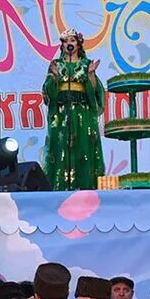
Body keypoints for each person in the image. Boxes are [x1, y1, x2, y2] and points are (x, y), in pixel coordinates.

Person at [43, 29, 104, 191]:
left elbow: (96, 93)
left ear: (78, 44)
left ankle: (86, 189)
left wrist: (91, 75)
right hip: (61, 115)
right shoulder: (56, 64)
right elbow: (47, 94)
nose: (69, 43)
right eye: (66, 41)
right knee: (60, 148)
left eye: (72, 40)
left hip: (82, 114)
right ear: (62, 45)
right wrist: (54, 77)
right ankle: (58, 190)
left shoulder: (86, 64)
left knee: (83, 149)